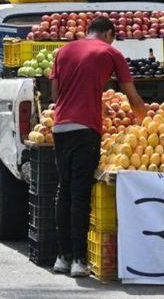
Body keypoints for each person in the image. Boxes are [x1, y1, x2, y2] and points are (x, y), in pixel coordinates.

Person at [50, 16, 146, 277]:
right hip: (85, 130)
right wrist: (145, 124)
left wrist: (90, 101)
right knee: (80, 193)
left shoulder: (63, 51)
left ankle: (62, 257)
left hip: (60, 127)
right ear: (108, 34)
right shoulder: (111, 52)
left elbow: (55, 94)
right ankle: (80, 260)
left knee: (64, 190)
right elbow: (131, 95)